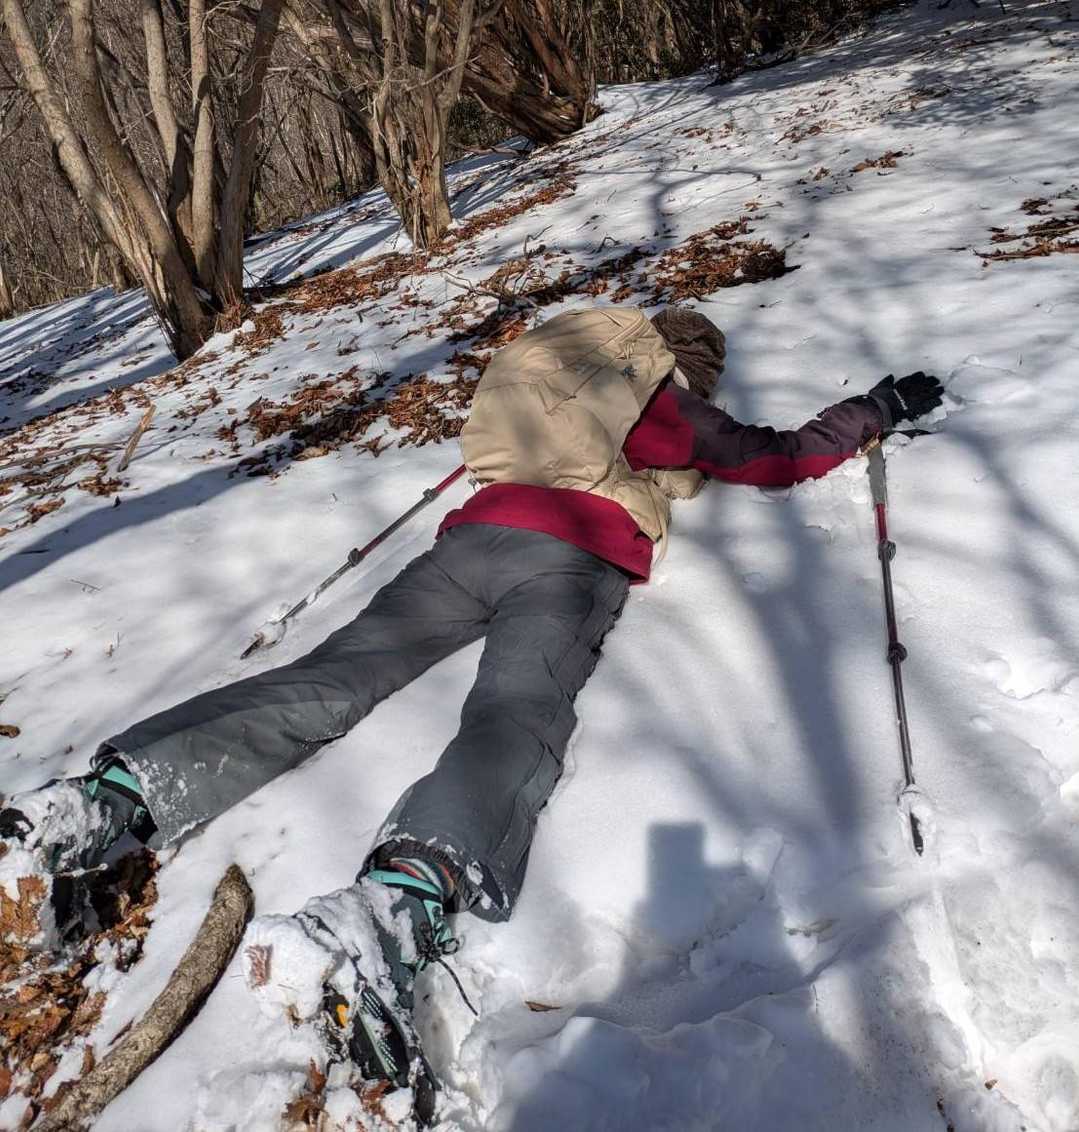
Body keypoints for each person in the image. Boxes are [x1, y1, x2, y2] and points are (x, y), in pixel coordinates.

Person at [0, 306, 943, 1115]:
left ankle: (106, 798)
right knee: (515, 712)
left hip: (467, 544)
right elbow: (769, 459)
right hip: (566, 556)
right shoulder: (660, 400)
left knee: (333, 676)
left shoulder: (553, 369)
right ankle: (398, 904)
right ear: (682, 362)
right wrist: (873, 411)